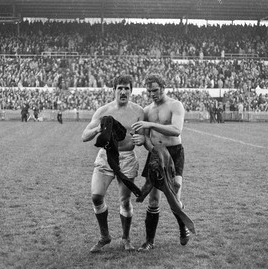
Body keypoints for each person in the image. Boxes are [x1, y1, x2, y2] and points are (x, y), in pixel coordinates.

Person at [81, 75, 145, 253]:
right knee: (96, 196)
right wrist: (98, 129)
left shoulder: (138, 111)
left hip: (127, 158)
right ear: (114, 90)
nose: (123, 91)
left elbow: (144, 136)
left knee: (124, 202)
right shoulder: (104, 111)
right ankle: (104, 236)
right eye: (120, 88)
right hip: (106, 156)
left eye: (127, 88)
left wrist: (142, 138)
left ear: (131, 91)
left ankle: (126, 238)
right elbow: (84, 136)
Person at [131, 74, 190, 251]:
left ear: (163, 87)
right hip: (156, 154)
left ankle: (182, 227)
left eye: (155, 90)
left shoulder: (175, 105)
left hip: (174, 152)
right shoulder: (147, 110)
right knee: (153, 199)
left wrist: (150, 126)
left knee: (175, 194)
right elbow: (147, 138)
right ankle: (149, 241)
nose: (152, 94)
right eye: (149, 91)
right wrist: (150, 147)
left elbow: (176, 130)